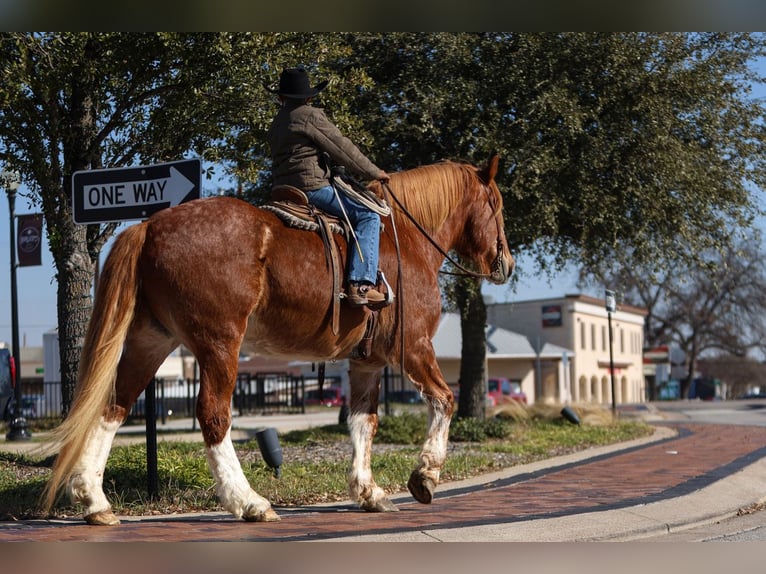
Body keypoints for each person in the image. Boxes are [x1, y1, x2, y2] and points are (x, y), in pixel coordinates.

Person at [266, 67, 390, 307]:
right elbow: (342, 149)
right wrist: (374, 172)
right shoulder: (309, 115)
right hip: (312, 188)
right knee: (369, 216)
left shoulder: (277, 123)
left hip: (281, 188)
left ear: (281, 97)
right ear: (308, 97)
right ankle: (361, 285)